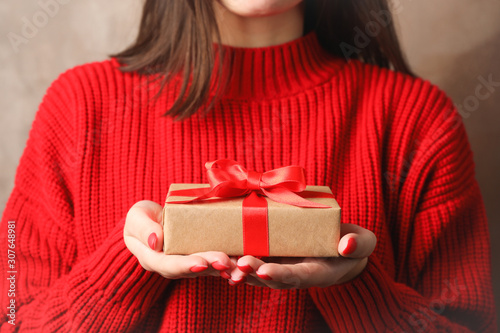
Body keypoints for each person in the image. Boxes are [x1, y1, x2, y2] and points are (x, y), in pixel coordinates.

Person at [0, 0, 497, 331]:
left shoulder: (415, 117)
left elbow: (467, 324)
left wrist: (359, 288)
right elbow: (13, 315)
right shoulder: (79, 106)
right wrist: (127, 262)